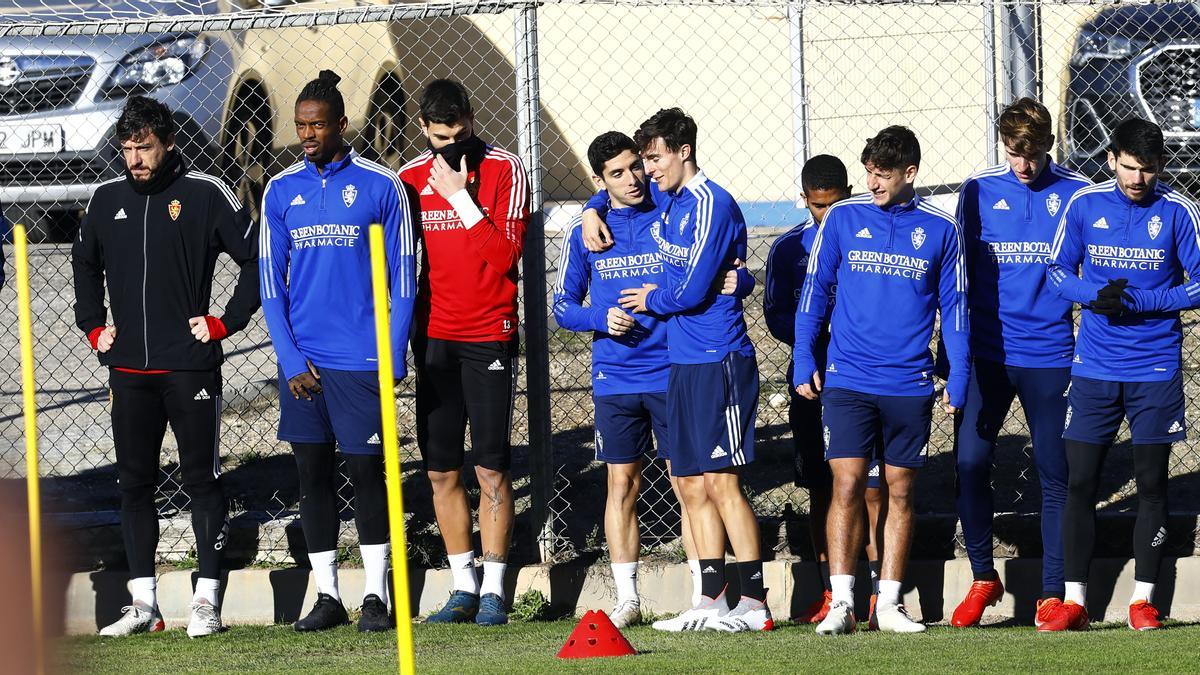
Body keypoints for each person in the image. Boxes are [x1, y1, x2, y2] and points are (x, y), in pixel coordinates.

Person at [73, 95, 259, 637]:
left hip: (190, 368)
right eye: (127, 148)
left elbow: (254, 259)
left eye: (144, 147)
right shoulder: (106, 200)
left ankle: (206, 599)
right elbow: (84, 265)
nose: (134, 159)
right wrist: (94, 326)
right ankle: (143, 604)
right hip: (128, 371)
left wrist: (226, 322)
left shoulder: (204, 193)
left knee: (202, 479)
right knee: (134, 484)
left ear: (168, 143)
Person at [555, 131, 752, 627]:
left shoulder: (671, 207)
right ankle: (628, 599)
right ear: (601, 181)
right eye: (617, 174)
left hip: (673, 370)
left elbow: (723, 260)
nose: (634, 178)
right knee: (621, 484)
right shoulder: (587, 233)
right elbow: (562, 307)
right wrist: (599, 317)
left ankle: (704, 595)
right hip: (615, 377)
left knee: (691, 484)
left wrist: (744, 279)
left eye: (637, 166)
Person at [794, 126, 969, 635]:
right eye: (868, 171)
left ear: (909, 174)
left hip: (908, 383)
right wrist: (804, 355)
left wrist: (958, 373)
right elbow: (815, 293)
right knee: (845, 485)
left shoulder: (940, 230)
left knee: (900, 490)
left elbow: (955, 308)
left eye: (882, 174)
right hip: (848, 378)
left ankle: (888, 604)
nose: (871, 182)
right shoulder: (844, 219)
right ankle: (842, 602)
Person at [259, 71, 416, 633]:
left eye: (317, 125)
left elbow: (403, 279)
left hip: (361, 362)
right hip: (305, 364)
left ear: (341, 125)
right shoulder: (280, 191)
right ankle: (327, 596)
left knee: (368, 473)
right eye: (300, 126)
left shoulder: (381, 186)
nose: (307, 134)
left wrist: (392, 354)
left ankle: (377, 594)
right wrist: (290, 359)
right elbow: (271, 285)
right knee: (312, 476)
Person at [1041, 118, 1200, 632]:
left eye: (1148, 170)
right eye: (1130, 168)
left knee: (1153, 482)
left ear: (1161, 167)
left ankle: (1144, 600)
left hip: (1154, 368)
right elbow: (1057, 272)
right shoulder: (1084, 205)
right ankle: (1073, 600)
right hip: (1094, 369)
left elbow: (1199, 285)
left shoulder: (1178, 211)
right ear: (1112, 159)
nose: (1138, 179)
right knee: (1080, 481)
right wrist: (1094, 296)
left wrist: (1148, 301)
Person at [950, 98, 1091, 629]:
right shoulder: (979, 189)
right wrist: (954, 356)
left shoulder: (1077, 193)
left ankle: (1050, 593)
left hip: (1051, 354)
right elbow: (955, 274)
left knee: (1056, 473)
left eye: (1031, 155)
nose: (1022, 166)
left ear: (1049, 145)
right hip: (987, 354)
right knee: (968, 464)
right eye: (1013, 154)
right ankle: (984, 577)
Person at [398, 79, 529, 626]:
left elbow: (503, 255)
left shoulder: (504, 168)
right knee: (440, 469)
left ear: (472, 121)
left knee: (492, 467)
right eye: (437, 138)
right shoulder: (407, 178)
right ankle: (462, 585)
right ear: (424, 129)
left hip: (488, 333)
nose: (448, 147)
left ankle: (496, 589)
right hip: (434, 337)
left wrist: (458, 196)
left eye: (458, 135)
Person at [764, 154, 886, 627]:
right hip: (813, 379)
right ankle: (830, 592)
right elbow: (777, 314)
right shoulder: (789, 248)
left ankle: (879, 593)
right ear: (805, 200)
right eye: (817, 206)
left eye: (834, 204)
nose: (826, 214)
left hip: (862, 376)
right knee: (823, 488)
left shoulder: (869, 234)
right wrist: (809, 352)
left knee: (872, 488)